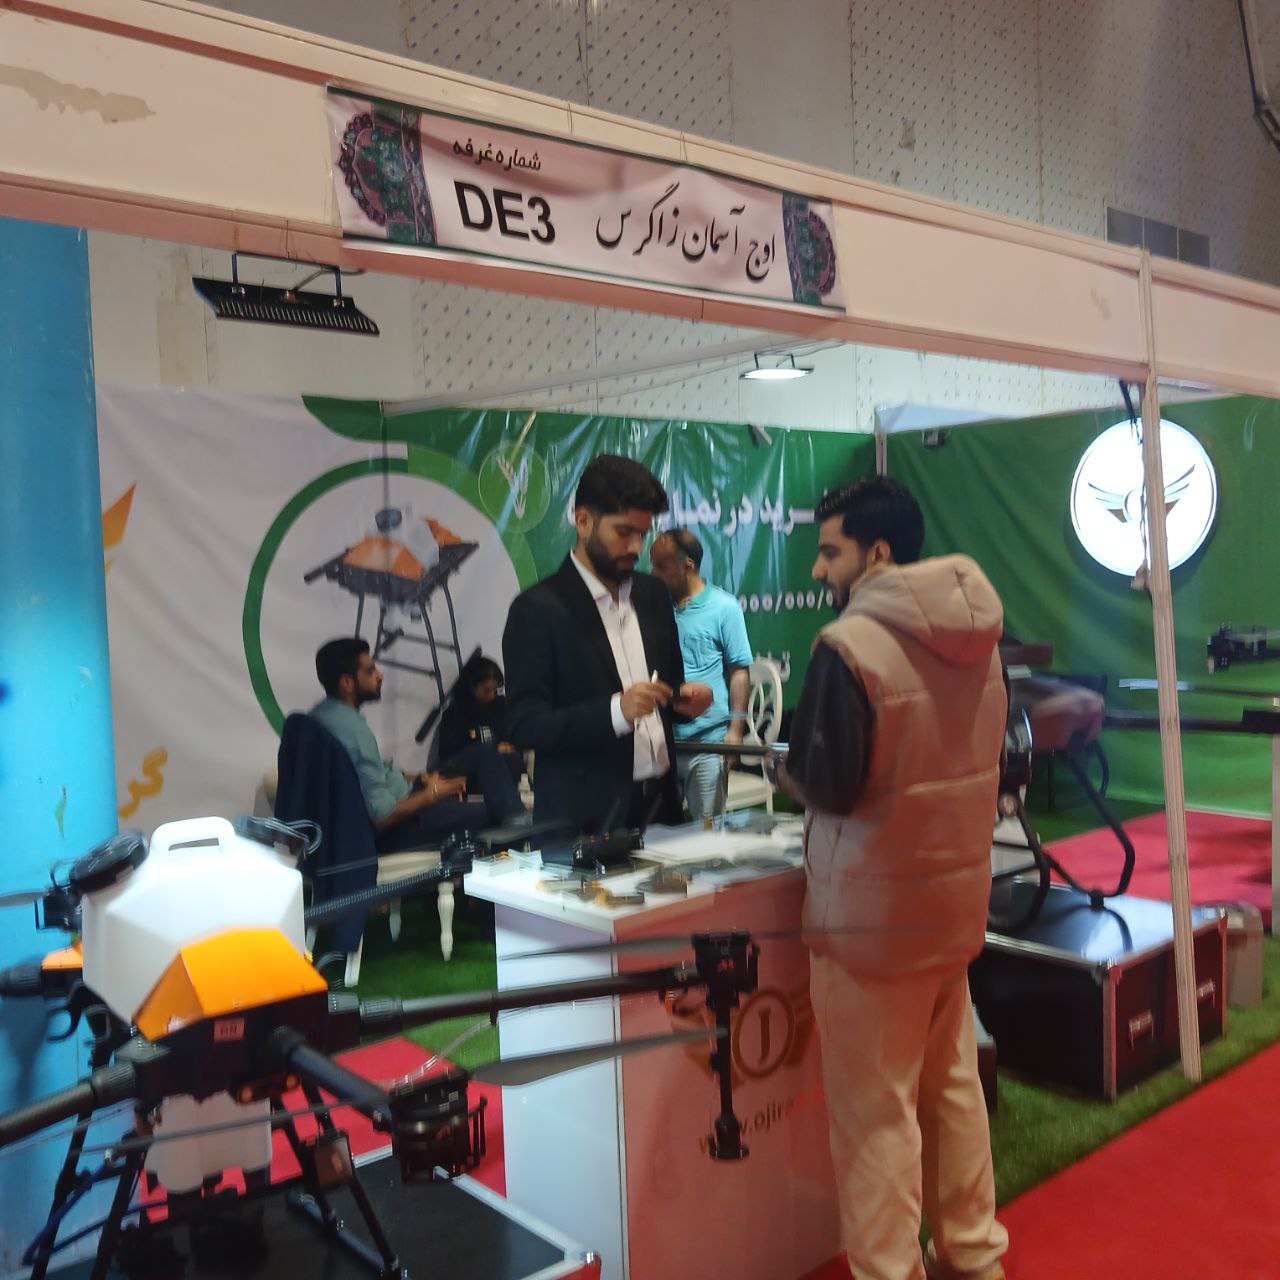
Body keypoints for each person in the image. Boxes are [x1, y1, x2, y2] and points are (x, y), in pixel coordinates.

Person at [778, 477, 1008, 1280]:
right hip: (951, 912)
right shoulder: (981, 637)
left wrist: (783, 769)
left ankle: (889, 1272)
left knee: (876, 1117)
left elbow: (829, 783)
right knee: (952, 1090)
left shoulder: (848, 647)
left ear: (875, 553)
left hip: (872, 930)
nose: (818, 570)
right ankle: (973, 1252)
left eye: (829, 551)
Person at [502, 455, 713, 831]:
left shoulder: (652, 595)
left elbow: (666, 689)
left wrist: (683, 702)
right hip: (585, 819)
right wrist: (616, 712)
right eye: (624, 532)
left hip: (661, 805)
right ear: (583, 521)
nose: (635, 547)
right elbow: (525, 724)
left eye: (643, 534)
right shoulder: (538, 610)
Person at [310, 637, 527, 854]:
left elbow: (374, 773)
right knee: (494, 814)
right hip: (403, 824)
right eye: (370, 671)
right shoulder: (355, 734)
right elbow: (382, 816)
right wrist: (433, 793)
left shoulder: (322, 716)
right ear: (347, 683)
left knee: (484, 753)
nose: (380, 675)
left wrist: (419, 778)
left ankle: (515, 815)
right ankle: (515, 836)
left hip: (409, 793)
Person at [649, 528, 753, 820]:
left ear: (687, 566)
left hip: (709, 745)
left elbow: (739, 672)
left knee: (708, 833)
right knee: (662, 834)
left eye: (661, 566)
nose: (653, 574)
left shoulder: (725, 608)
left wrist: (735, 730)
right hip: (663, 744)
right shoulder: (654, 611)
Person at [438, 652, 523, 788]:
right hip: (466, 772)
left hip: (501, 765)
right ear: (472, 686)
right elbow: (451, 756)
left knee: (512, 759)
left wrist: (508, 746)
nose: (492, 696)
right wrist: (492, 751)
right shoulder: (455, 714)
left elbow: (512, 735)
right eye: (487, 690)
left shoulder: (501, 706)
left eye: (495, 690)